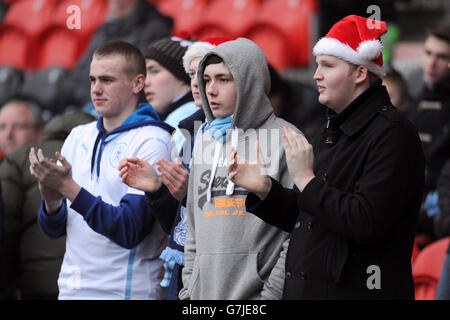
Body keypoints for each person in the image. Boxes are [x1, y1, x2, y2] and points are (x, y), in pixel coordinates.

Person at [228, 15, 425, 299]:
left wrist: (307, 180)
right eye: (317, 65)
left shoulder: (393, 134)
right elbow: (310, 218)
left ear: (360, 73)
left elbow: (366, 221)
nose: (315, 75)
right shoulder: (332, 127)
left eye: (328, 66)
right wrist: (265, 190)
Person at [29, 41, 175, 299]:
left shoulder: (154, 140)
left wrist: (68, 188)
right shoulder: (78, 135)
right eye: (92, 79)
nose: (96, 89)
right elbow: (54, 231)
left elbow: (129, 230)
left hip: (125, 292)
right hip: (71, 291)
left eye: (107, 80)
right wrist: (51, 202)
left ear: (137, 84)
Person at [177, 38, 298, 300]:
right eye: (206, 80)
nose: (210, 90)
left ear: (250, 82)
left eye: (223, 79)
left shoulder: (287, 139)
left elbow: (297, 233)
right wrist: (189, 292)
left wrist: (270, 297)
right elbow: (193, 231)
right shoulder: (204, 139)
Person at [119, 37, 230, 300]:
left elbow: (229, 222)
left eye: (204, 74)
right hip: (184, 275)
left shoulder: (246, 136)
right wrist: (158, 190)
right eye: (193, 73)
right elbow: (180, 223)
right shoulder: (192, 131)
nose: (196, 82)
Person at [0, 110, 95, 300]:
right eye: (2, 127)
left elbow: (6, 233)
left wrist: (7, 287)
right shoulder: (102, 154)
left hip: (34, 285)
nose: (8, 134)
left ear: (40, 130)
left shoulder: (17, 160)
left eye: (18, 126)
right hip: (93, 284)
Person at [59, 0, 173, 111]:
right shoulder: (103, 31)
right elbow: (77, 78)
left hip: (123, 111)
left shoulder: (155, 29)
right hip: (90, 106)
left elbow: (139, 79)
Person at [408, 24, 450, 241]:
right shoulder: (415, 102)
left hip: (438, 219)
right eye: (428, 53)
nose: (431, 63)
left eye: (442, 57)